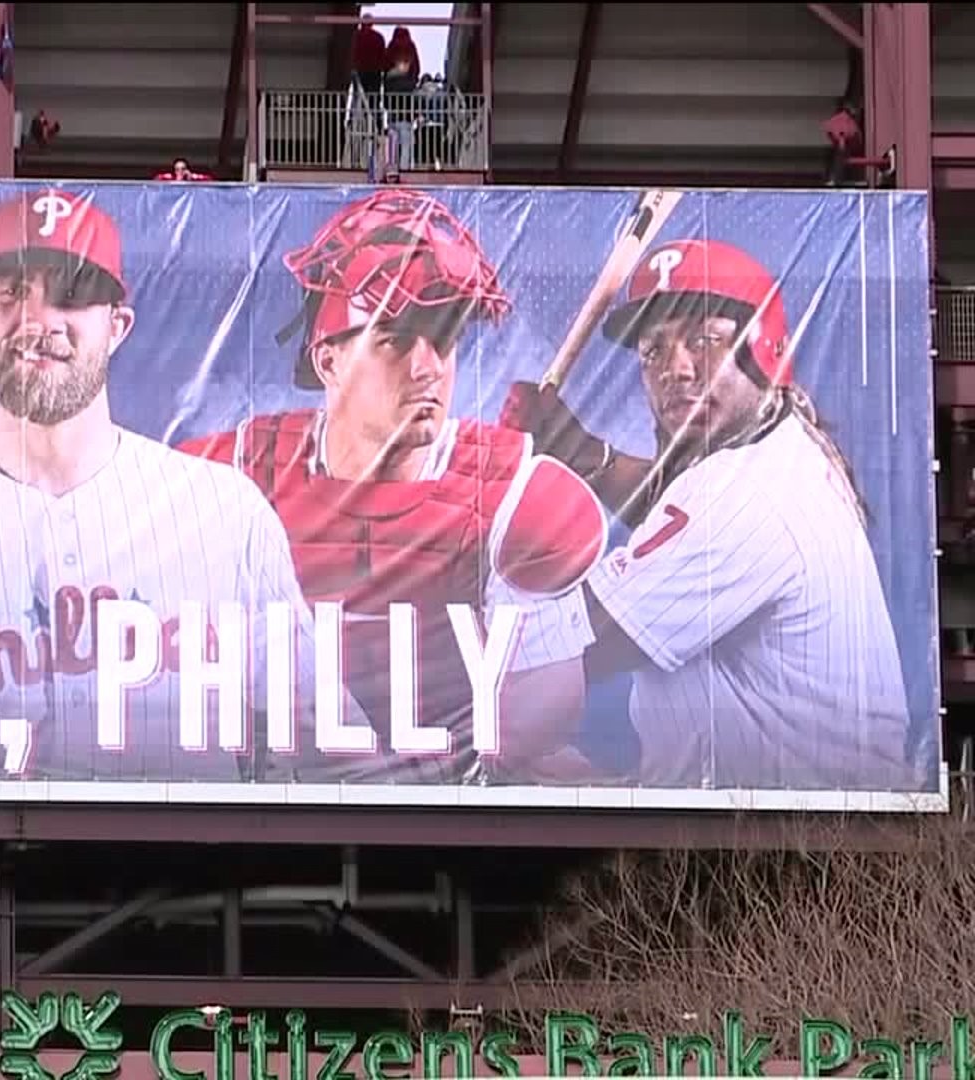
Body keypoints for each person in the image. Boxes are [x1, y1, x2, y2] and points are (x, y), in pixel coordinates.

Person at [0, 189, 360, 783]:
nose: (39, 321)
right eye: (11, 293)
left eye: (72, 296)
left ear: (118, 326)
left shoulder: (225, 513)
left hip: (188, 872)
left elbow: (322, 738)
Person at [178, 189, 608, 785]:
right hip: (276, 815)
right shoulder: (229, 474)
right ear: (328, 362)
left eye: (445, 339)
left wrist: (429, 770)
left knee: (567, 780)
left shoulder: (517, 494)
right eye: (396, 340)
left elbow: (546, 713)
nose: (429, 366)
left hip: (446, 820)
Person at [500, 238, 919, 790]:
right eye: (653, 350)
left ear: (764, 349)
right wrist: (576, 448)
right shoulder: (779, 443)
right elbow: (672, 506)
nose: (675, 367)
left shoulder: (746, 492)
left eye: (704, 339)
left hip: (793, 849)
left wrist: (439, 631)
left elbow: (576, 644)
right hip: (794, 821)